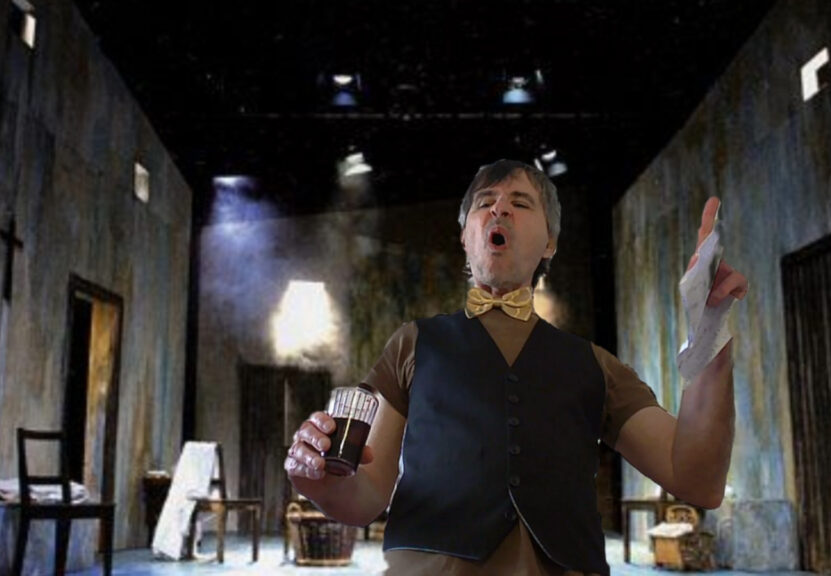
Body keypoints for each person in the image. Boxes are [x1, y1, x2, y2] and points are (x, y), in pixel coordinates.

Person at [285, 159, 749, 575]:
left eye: (521, 203)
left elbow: (697, 480)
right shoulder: (411, 344)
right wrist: (320, 482)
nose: (500, 208)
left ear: (550, 242)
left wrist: (709, 329)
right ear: (465, 235)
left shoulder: (597, 365)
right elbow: (365, 496)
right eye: (485, 202)